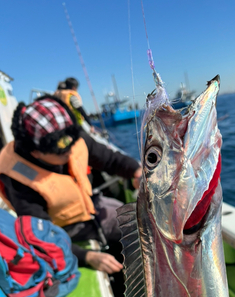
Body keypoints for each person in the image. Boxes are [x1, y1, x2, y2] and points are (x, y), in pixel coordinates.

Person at [0, 95, 142, 276]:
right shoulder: (18, 178)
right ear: (35, 152)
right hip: (63, 229)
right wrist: (86, 256)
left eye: (72, 145)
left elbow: (110, 159)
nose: (70, 153)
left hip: (92, 206)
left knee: (141, 223)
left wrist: (136, 171)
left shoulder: (72, 138)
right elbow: (39, 235)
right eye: (61, 153)